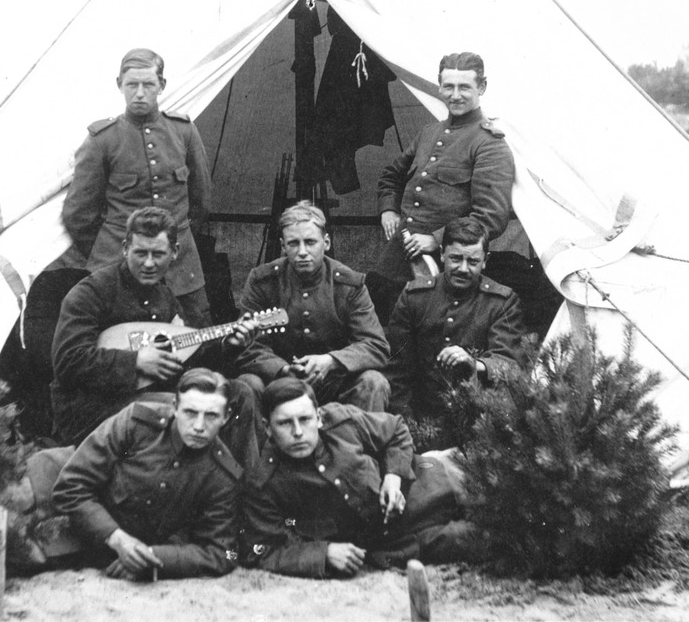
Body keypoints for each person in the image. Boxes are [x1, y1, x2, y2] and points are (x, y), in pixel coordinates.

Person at [50, 206, 260, 469]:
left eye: (158, 254)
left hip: (150, 393)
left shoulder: (166, 298)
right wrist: (136, 361)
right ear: (125, 248)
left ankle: (247, 490)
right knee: (182, 410)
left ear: (174, 253)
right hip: (91, 407)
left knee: (240, 393)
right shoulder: (92, 292)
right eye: (141, 253)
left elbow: (184, 361)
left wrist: (228, 345)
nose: (149, 264)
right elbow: (68, 361)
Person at [241, 377, 478, 578]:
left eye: (305, 419)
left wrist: (393, 476)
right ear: (267, 428)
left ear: (319, 417)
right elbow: (261, 550)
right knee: (485, 538)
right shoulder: (264, 484)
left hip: (433, 480)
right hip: (404, 542)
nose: (298, 432)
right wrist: (324, 553)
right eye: (284, 423)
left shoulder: (341, 421)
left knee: (499, 486)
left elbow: (396, 430)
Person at [61, 48, 213, 327]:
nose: (140, 93)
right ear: (119, 85)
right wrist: (118, 246)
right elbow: (78, 215)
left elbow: (201, 201)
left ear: (162, 85)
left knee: (196, 341)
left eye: (148, 85)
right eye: (132, 85)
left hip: (180, 269)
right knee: (114, 343)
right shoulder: (102, 139)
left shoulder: (183, 131)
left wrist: (174, 241)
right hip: (117, 264)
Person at [47, 368, 242, 580]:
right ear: (175, 407)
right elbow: (71, 485)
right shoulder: (137, 423)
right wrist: (119, 540)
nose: (198, 426)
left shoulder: (223, 473)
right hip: (68, 518)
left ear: (226, 417)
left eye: (211, 416)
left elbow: (222, 553)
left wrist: (151, 558)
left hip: (123, 556)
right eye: (190, 412)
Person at [376, 51, 515, 288]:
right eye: (448, 87)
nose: (456, 95)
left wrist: (437, 239)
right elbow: (391, 177)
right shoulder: (429, 133)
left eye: (464, 87)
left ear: (481, 88)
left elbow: (491, 216)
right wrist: (388, 210)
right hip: (395, 259)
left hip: (446, 269)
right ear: (439, 88)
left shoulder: (489, 144)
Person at [236, 200, 390, 412]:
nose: (302, 252)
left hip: (333, 383)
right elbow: (249, 345)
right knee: (247, 384)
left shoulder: (348, 284)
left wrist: (331, 361)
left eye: (310, 242)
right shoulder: (263, 281)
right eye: (293, 243)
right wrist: (281, 369)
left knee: (373, 382)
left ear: (326, 242)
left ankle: (359, 443)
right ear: (282, 246)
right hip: (279, 383)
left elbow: (376, 345)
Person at [384, 217, 527, 426]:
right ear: (442, 254)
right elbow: (397, 371)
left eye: (473, 261)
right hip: (424, 419)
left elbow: (510, 363)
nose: (463, 268)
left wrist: (475, 364)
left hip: (481, 420)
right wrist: (406, 427)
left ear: (486, 260)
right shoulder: (414, 297)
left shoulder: (502, 302)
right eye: (456, 258)